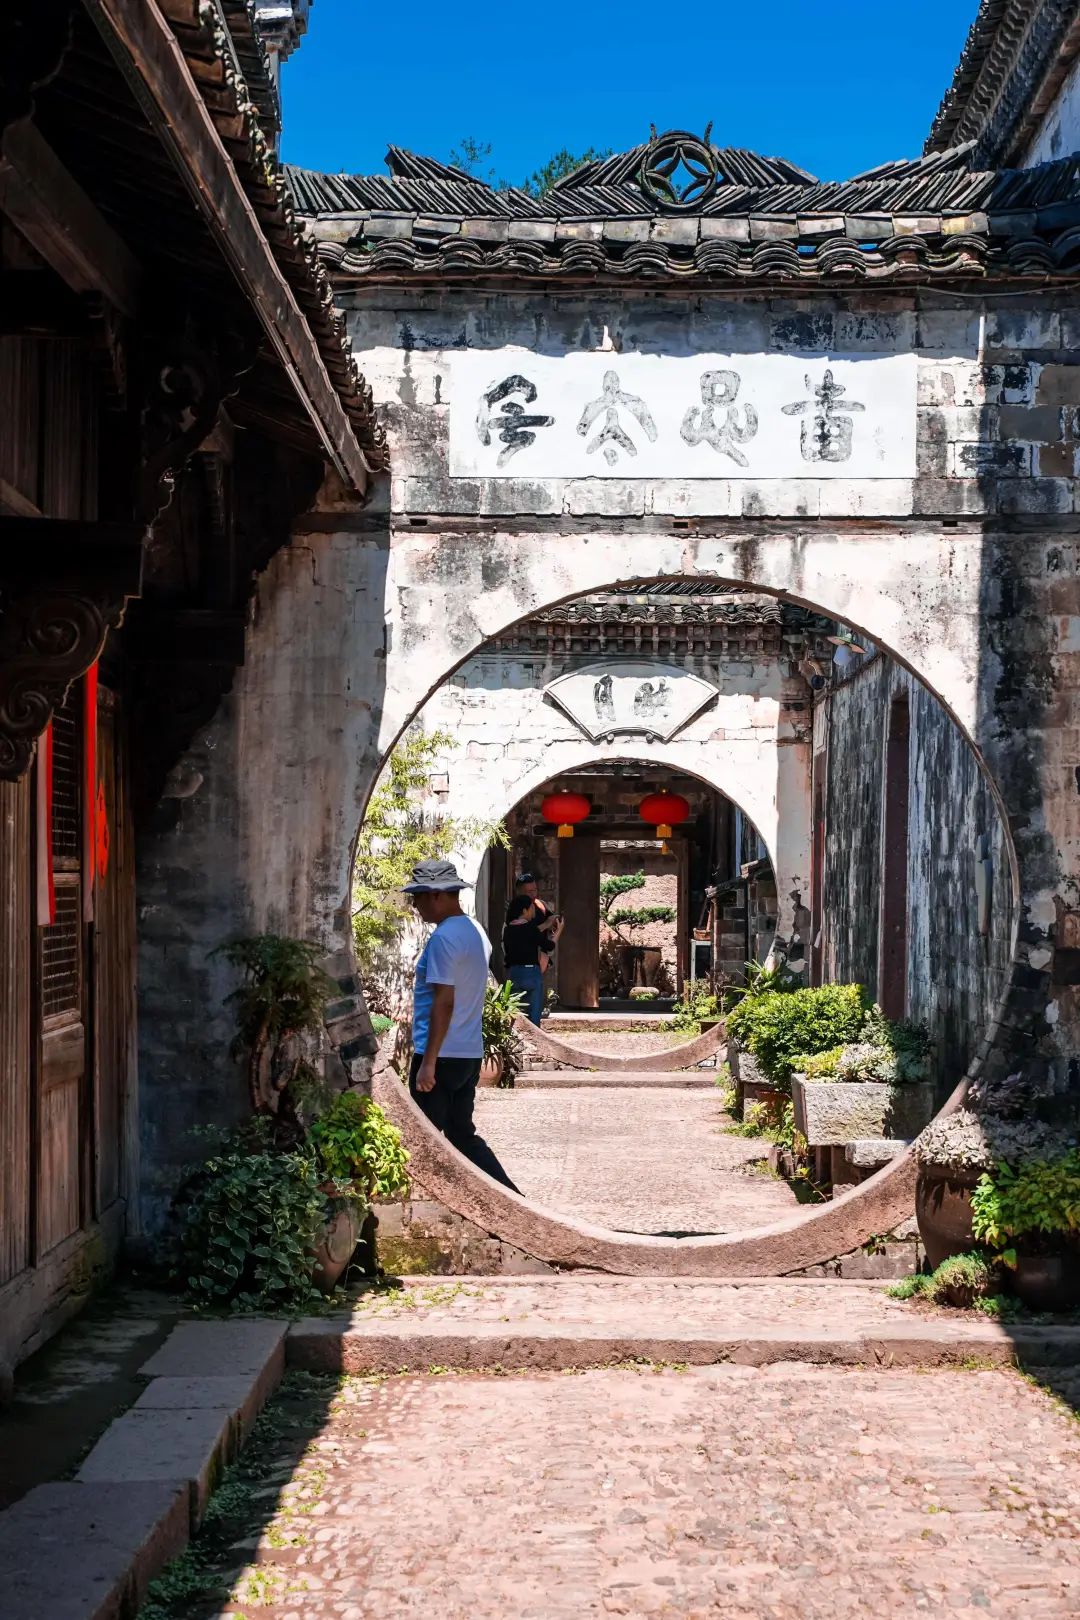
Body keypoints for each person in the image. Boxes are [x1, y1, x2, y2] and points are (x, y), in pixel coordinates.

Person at [402, 859, 520, 1193]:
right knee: (460, 1134)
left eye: (419, 897)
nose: (416, 905)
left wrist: (428, 1063)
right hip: (467, 1052)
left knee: (423, 1139)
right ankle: (509, 1197)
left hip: (440, 1054)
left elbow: (444, 1001)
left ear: (438, 895)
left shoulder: (443, 939)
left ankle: (429, 1205)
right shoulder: (475, 931)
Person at [502, 894, 563, 1026]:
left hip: (514, 973)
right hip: (531, 973)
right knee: (534, 1014)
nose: (533, 910)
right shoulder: (531, 929)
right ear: (524, 911)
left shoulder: (507, 930)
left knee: (514, 1013)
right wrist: (558, 931)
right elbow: (549, 946)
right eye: (531, 908)